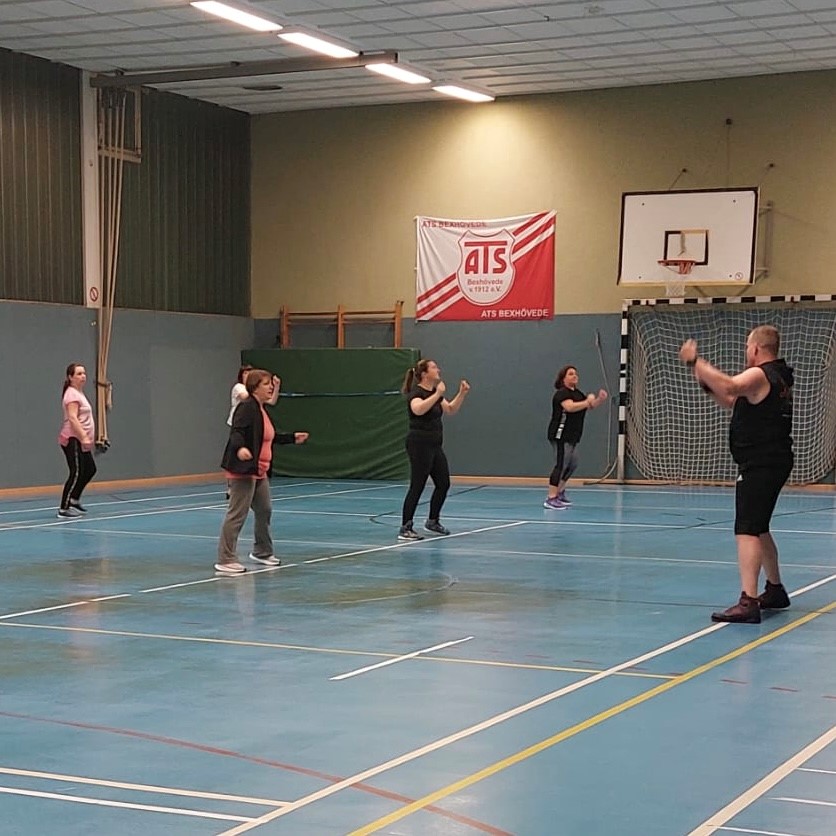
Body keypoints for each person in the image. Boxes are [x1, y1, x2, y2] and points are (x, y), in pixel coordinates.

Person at [679, 325, 794, 623]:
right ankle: (775, 589)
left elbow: (730, 386)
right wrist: (704, 379)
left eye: (746, 347)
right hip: (773, 460)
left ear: (755, 349)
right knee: (759, 526)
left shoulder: (759, 374)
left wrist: (696, 361)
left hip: (761, 462)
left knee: (746, 529)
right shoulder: (777, 377)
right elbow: (731, 400)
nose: (746, 352)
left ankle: (748, 601)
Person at [216, 369, 308, 575]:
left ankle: (262, 552)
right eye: (266, 384)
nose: (270, 387)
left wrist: (292, 438)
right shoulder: (246, 407)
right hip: (244, 470)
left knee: (264, 509)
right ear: (255, 387)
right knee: (237, 514)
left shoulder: (260, 409)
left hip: (260, 471)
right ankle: (225, 559)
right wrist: (241, 448)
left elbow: (267, 437)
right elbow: (236, 432)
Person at [398, 359, 470, 541]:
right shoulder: (417, 393)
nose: (438, 369)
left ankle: (433, 521)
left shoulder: (435, 394)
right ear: (424, 374)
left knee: (443, 483)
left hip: (435, 445)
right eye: (434, 367)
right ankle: (406, 527)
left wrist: (461, 393)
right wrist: (437, 393)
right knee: (417, 485)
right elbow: (418, 410)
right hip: (419, 444)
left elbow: (450, 409)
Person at [544, 366, 607, 509]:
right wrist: (588, 401)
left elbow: (589, 406)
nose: (574, 376)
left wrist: (599, 399)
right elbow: (570, 407)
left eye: (575, 374)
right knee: (561, 464)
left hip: (573, 435)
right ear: (563, 378)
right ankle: (551, 498)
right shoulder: (562, 393)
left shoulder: (578, 394)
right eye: (571, 374)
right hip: (560, 434)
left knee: (572, 464)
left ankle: (560, 492)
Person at [57, 362, 97, 518]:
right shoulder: (71, 394)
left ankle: (74, 499)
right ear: (70, 377)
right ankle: (64, 508)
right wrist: (84, 436)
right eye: (79, 374)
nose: (83, 376)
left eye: (84, 373)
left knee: (90, 469)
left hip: (80, 439)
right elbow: (73, 418)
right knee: (76, 472)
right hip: (73, 438)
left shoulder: (79, 393)